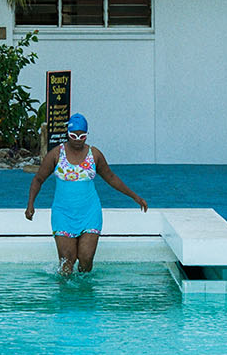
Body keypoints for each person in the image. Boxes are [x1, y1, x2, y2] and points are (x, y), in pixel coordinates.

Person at [24, 112, 147, 275]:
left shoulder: (94, 155)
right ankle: (66, 299)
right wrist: (30, 204)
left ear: (87, 135)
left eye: (82, 136)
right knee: (66, 262)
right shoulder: (56, 154)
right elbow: (38, 179)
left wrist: (135, 197)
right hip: (63, 213)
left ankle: (85, 297)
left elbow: (110, 177)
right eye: (73, 135)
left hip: (89, 212)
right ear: (67, 134)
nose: (77, 139)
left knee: (86, 259)